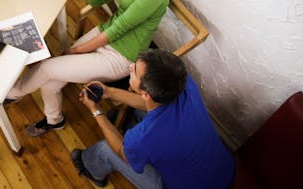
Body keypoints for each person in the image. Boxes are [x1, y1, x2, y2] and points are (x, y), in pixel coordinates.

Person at [6, 0, 170, 137]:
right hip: (106, 32)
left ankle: (14, 92)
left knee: (47, 68)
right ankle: (54, 120)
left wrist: (77, 50)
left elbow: (118, 29)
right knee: (51, 81)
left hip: (122, 55)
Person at [71, 49, 235, 188]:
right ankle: (130, 122)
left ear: (145, 93)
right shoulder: (183, 83)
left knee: (105, 149)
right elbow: (149, 103)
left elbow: (122, 151)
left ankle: (90, 168)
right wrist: (110, 92)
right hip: (224, 169)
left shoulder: (145, 137)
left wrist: (95, 110)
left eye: (134, 71)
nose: (130, 67)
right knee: (139, 119)